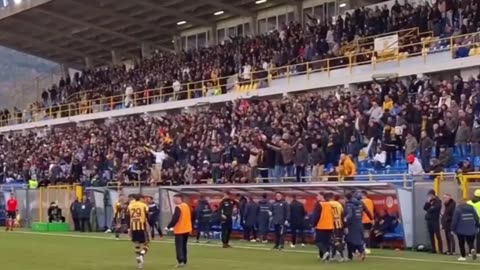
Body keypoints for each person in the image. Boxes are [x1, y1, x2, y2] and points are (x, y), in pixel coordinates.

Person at [167, 194, 192, 268]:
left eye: (175, 199)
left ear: (179, 198)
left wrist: (169, 226)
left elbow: (175, 218)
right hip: (186, 229)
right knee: (184, 246)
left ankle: (180, 261)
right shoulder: (186, 206)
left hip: (180, 229)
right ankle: (184, 260)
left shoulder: (178, 207)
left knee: (179, 246)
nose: (173, 200)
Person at [128, 194, 150, 269]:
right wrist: (149, 224)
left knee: (137, 244)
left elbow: (128, 217)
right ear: (140, 198)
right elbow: (147, 216)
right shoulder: (144, 205)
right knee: (146, 243)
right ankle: (141, 255)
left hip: (133, 227)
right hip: (142, 227)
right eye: (144, 198)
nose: (144, 200)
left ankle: (139, 262)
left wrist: (129, 228)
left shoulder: (130, 205)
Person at [311, 193, 334, 261]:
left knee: (317, 241)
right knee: (327, 242)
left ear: (322, 196)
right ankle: (327, 257)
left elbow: (316, 216)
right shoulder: (330, 204)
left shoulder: (320, 204)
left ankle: (325, 252)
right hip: (330, 226)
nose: (317, 197)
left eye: (318, 195)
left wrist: (313, 224)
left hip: (321, 226)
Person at [423, 190, 443, 254]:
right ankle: (433, 249)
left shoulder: (438, 201)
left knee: (438, 235)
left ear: (433, 195)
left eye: (430, 195)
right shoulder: (429, 201)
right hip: (429, 220)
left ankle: (440, 250)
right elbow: (425, 208)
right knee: (431, 235)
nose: (429, 197)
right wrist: (428, 202)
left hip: (435, 220)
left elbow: (435, 208)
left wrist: (430, 208)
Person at [329, 194, 345, 261]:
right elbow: (342, 215)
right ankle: (333, 256)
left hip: (332, 224)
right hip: (339, 224)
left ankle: (341, 257)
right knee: (338, 241)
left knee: (334, 241)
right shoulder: (339, 205)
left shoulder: (329, 204)